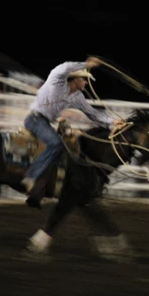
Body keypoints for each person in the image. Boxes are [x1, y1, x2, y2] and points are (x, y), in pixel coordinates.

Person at [21, 56, 124, 201]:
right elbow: (63, 67)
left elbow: (93, 114)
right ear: (75, 79)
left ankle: (51, 185)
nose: (86, 83)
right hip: (34, 119)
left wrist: (114, 122)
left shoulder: (77, 97)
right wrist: (87, 64)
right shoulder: (56, 82)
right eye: (84, 79)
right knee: (56, 143)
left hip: (44, 122)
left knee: (68, 147)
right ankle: (31, 177)